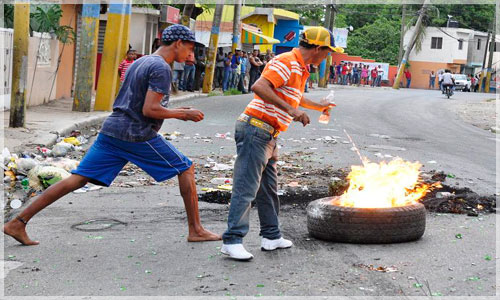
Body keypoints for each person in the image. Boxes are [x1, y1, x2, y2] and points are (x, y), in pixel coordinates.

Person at [3, 24, 221, 246]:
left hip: (112, 130)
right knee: (185, 168)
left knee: (77, 179)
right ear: (178, 44)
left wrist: (179, 111)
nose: (191, 53)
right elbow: (149, 110)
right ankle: (196, 229)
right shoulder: (161, 68)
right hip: (136, 133)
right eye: (190, 47)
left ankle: (18, 222)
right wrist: (183, 115)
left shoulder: (141, 61)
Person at [220, 26, 342, 260]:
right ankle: (232, 239)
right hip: (255, 128)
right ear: (317, 48)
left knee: (268, 189)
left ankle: (271, 236)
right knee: (246, 188)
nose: (328, 56)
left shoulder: (300, 67)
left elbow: (293, 96)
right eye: (327, 51)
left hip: (268, 134)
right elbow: (260, 87)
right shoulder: (286, 61)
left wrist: (318, 106)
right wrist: (291, 111)